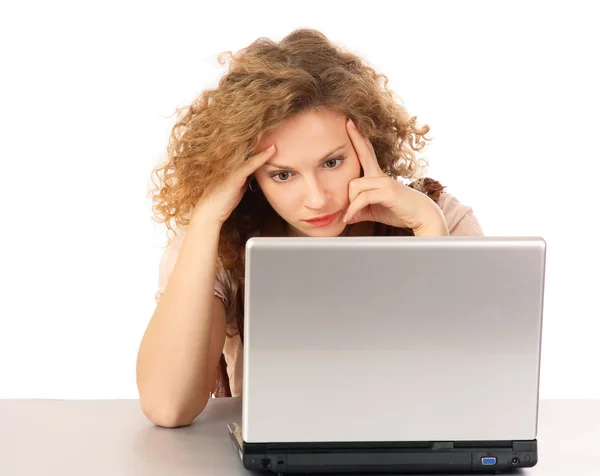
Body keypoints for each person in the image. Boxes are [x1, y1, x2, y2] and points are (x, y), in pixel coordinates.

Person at [136, 28, 483, 428]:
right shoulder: (218, 245)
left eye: (332, 162)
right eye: (283, 175)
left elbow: (467, 394)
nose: (316, 198)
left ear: (367, 143)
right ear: (246, 177)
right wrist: (206, 220)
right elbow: (168, 406)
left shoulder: (440, 217)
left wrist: (429, 231)